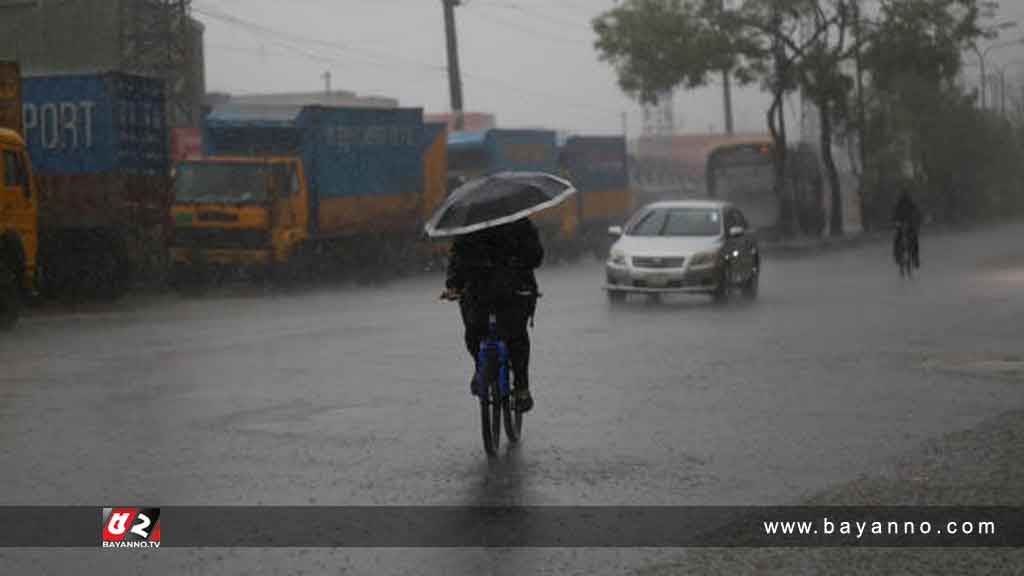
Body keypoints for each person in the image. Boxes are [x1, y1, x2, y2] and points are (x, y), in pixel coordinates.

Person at [443, 217, 543, 413]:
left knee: (516, 337)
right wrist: (454, 285)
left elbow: (535, 255)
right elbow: (458, 259)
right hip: (481, 291)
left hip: (513, 290)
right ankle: (481, 367)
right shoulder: (473, 227)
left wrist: (520, 262)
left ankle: (521, 387)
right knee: (474, 332)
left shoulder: (517, 223)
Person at [891, 188, 921, 269]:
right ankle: (913, 259)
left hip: (908, 225)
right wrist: (896, 222)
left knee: (912, 240)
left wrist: (914, 222)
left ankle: (914, 258)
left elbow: (916, 213)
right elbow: (894, 215)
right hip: (903, 226)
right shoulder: (900, 204)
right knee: (899, 240)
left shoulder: (908, 203)